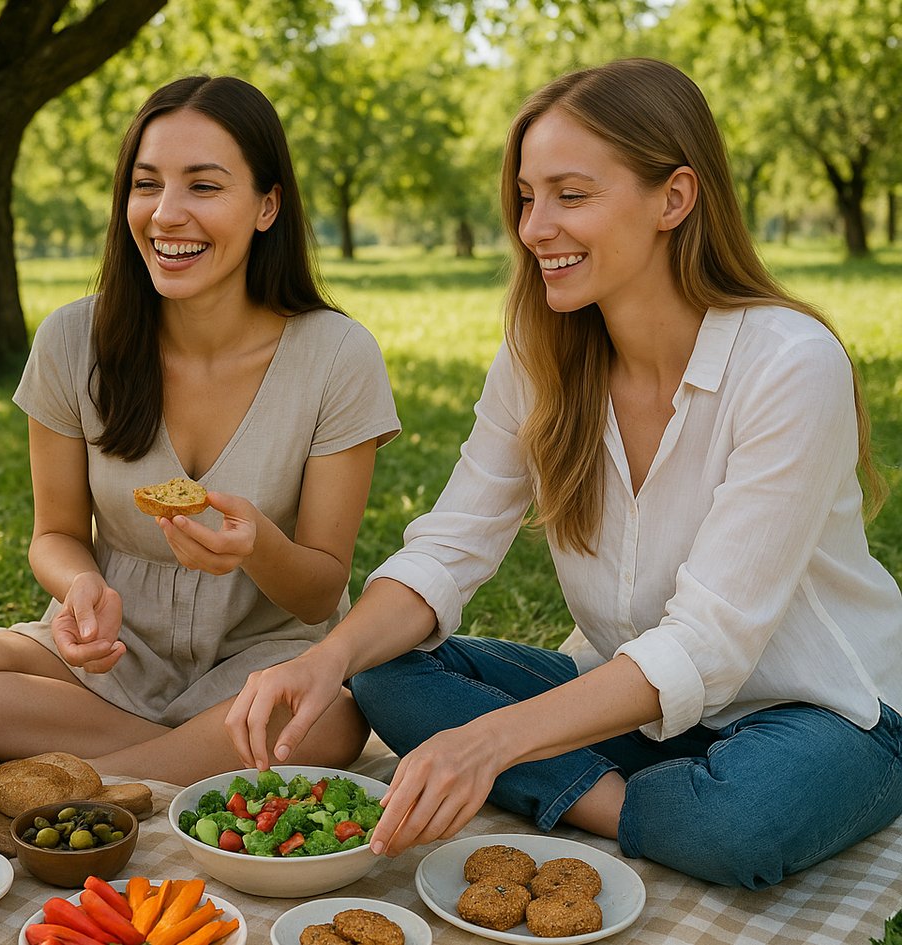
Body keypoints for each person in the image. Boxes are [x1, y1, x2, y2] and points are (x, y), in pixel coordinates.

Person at [226, 57, 902, 889]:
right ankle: (645, 803)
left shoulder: (790, 362)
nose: (534, 226)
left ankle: (627, 801)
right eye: (525, 196)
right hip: (633, 707)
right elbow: (449, 548)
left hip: (821, 713)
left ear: (675, 198)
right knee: (383, 668)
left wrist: (493, 740)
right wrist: (322, 660)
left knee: (742, 821)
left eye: (570, 195)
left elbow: (709, 642)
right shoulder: (541, 355)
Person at [0, 75, 399, 784]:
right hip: (109, 662)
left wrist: (256, 544)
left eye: (204, 186)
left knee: (335, 719)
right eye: (146, 184)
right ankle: (186, 763)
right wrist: (79, 590)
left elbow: (320, 589)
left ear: (267, 205)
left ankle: (99, 781)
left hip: (256, 667)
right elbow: (55, 534)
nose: (166, 214)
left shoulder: (339, 356)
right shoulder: (73, 340)